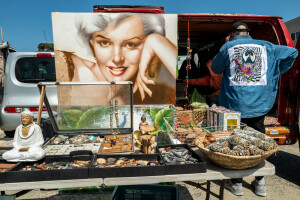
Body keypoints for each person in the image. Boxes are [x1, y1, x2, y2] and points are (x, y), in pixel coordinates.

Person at [211, 22, 298, 197]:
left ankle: (236, 184)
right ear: (248, 33)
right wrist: (276, 71)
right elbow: (293, 52)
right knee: (258, 142)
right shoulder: (267, 46)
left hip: (234, 107)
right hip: (259, 106)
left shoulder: (229, 46)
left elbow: (215, 68)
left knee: (234, 143)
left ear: (233, 34)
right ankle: (260, 182)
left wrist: (227, 46)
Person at [54, 13, 176, 104]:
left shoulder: (154, 92)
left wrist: (156, 41)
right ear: (93, 45)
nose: (117, 58)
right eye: (104, 43)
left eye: (130, 44)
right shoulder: (65, 66)